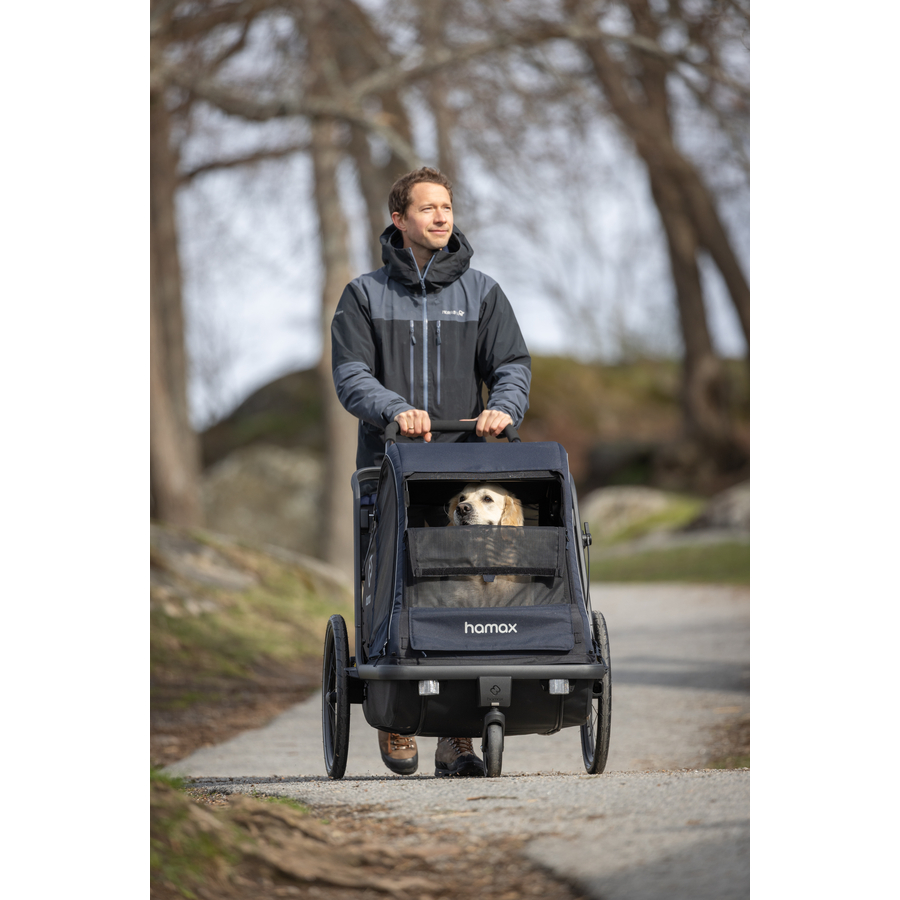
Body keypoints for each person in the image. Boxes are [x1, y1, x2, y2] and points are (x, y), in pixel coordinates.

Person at [331, 167, 531, 777]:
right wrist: (395, 408)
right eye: (427, 208)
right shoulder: (364, 296)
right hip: (391, 468)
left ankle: (456, 737)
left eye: (446, 207)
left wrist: (504, 406)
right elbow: (351, 374)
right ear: (399, 219)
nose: (441, 217)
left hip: (463, 469)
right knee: (396, 583)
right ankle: (397, 713)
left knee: (466, 594)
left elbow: (512, 364)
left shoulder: (483, 292)